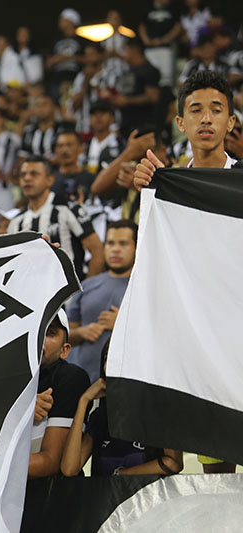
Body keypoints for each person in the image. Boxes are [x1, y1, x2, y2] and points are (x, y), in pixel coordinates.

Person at [133, 70, 237, 474]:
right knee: (218, 458)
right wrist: (150, 192)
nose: (206, 119)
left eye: (217, 110)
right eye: (196, 110)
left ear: (231, 122)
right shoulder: (162, 186)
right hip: (198, 335)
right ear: (181, 122)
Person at [61, 340, 184, 477]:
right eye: (107, 358)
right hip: (108, 498)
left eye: (118, 359)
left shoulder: (158, 410)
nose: (109, 366)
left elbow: (173, 463)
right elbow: (69, 469)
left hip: (150, 496)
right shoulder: (100, 416)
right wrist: (83, 401)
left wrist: (123, 474)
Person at [7, 156, 104, 280]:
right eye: (23, 175)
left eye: (34, 174)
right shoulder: (16, 222)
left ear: (50, 180)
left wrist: (87, 292)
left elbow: (97, 250)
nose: (27, 178)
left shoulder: (68, 208)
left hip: (69, 297)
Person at [67, 221, 137, 382]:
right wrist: (82, 332)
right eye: (110, 243)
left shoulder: (145, 288)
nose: (116, 249)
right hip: (84, 382)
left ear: (137, 247)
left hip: (128, 382)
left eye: (123, 243)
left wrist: (123, 323)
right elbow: (65, 335)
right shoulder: (86, 285)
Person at [29, 309, 90, 478]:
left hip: (49, 496)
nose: (39, 337)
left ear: (65, 350)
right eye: (34, 328)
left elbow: (51, 462)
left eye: (50, 333)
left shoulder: (70, 377)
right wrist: (22, 411)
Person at [110, 39, 161, 136]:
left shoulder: (149, 70)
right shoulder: (128, 70)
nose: (123, 54)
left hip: (143, 126)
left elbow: (153, 97)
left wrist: (127, 101)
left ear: (133, 50)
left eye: (124, 50)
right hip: (125, 125)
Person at [138, 0, 182, 87]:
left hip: (166, 48)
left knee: (166, 77)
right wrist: (146, 40)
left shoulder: (173, 8)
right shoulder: (148, 8)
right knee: (149, 75)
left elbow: (178, 27)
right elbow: (142, 26)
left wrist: (164, 40)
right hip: (150, 49)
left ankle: (166, 98)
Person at [45, 9, 87, 99]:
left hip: (76, 79)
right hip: (57, 82)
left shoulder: (82, 41)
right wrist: (55, 59)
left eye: (63, 19)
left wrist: (68, 57)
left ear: (71, 21)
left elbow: (90, 59)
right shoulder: (54, 41)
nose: (60, 21)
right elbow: (47, 65)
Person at [51, 130, 95, 202]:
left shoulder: (91, 179)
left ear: (81, 148)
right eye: (60, 146)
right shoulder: (49, 180)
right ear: (55, 150)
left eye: (69, 145)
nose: (64, 150)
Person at [19, 94, 59, 160]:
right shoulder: (28, 131)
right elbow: (22, 155)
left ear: (53, 108)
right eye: (37, 105)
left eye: (45, 104)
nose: (41, 108)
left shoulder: (61, 130)